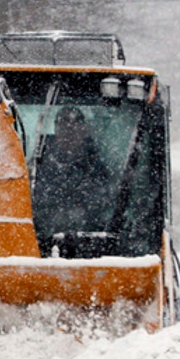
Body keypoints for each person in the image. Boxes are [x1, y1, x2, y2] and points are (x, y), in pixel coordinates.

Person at [32, 106, 110, 254]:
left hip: (90, 246)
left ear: (84, 128)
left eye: (76, 122)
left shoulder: (97, 169)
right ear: (56, 127)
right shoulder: (37, 165)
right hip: (38, 243)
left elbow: (102, 206)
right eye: (64, 122)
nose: (69, 128)